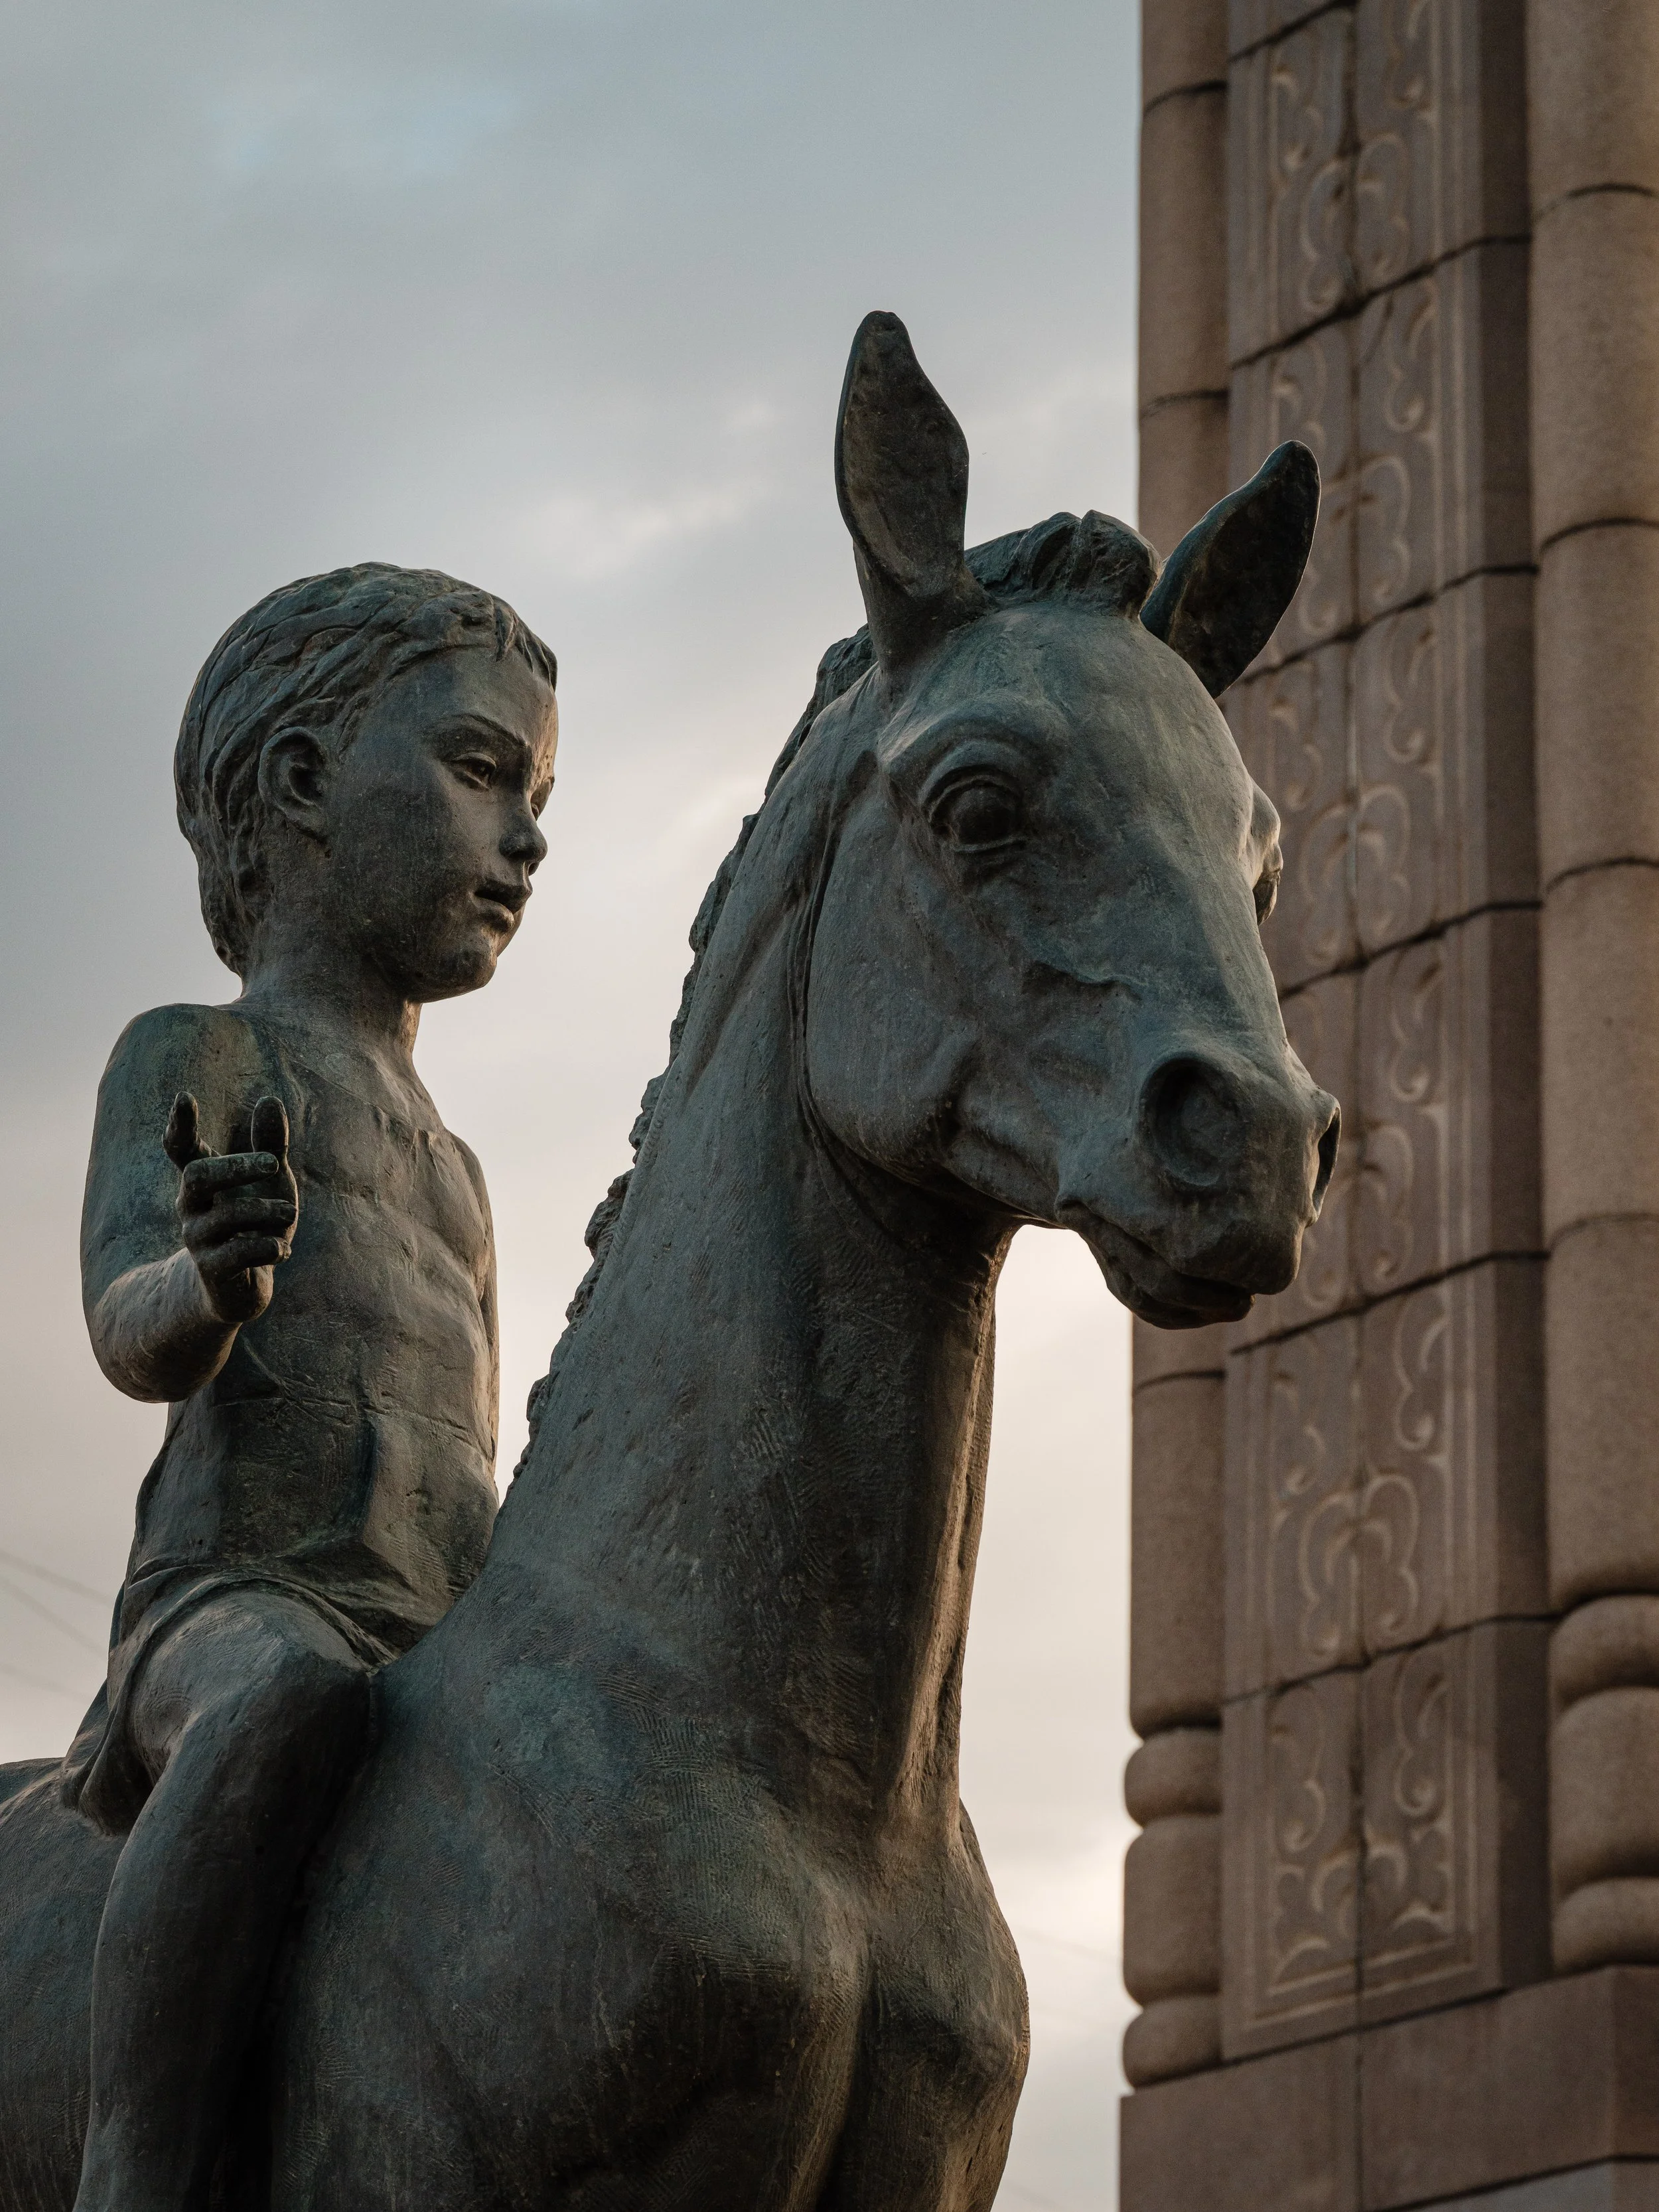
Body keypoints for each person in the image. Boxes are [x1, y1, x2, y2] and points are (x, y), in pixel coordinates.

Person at [60, 562, 558, 2212]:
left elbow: (468, 1454)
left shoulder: (462, 1171)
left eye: (537, 795)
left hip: (433, 1629)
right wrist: (207, 1279)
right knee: (285, 1703)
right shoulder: (193, 1053)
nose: (528, 838)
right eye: (482, 772)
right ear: (299, 786)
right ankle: (139, 2166)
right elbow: (130, 1327)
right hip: (234, 1605)